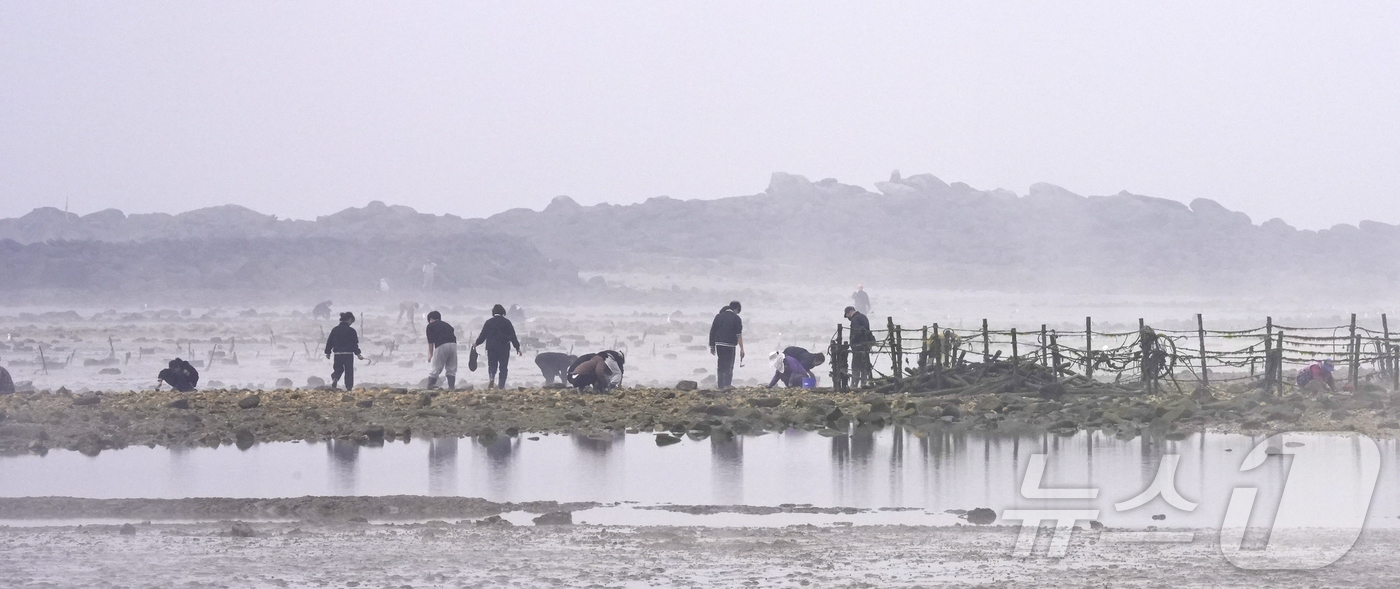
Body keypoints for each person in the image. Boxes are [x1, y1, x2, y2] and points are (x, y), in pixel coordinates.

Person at [473, 304, 522, 389]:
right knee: (503, 367)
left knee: (492, 365)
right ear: (503, 312)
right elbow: (513, 336)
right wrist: (517, 348)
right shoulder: (507, 322)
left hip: (491, 348)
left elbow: (483, 335)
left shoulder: (488, 322)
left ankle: (492, 377)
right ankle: (501, 386)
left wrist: (476, 343)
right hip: (504, 348)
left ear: (493, 312)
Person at [324, 312, 364, 391]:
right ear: (349, 319)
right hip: (348, 354)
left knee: (338, 369)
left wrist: (328, 352)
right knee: (349, 371)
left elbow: (330, 342)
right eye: (352, 322)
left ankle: (335, 378)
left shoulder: (335, 330)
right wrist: (358, 354)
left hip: (337, 354)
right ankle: (349, 387)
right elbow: (354, 344)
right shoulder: (351, 331)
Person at [709, 301, 744, 389]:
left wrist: (712, 346)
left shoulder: (718, 317)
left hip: (719, 344)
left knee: (721, 365)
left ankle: (720, 386)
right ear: (736, 309)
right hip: (730, 345)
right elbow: (739, 335)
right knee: (729, 366)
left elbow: (712, 332)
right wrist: (742, 349)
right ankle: (727, 385)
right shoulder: (736, 318)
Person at [425, 310, 458, 390]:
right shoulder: (448, 325)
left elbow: (430, 342)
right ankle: (451, 387)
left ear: (431, 319)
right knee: (451, 368)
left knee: (436, 367)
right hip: (453, 345)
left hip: (441, 345)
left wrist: (431, 354)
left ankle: (430, 385)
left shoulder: (430, 326)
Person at [845, 306, 876, 388]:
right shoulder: (864, 317)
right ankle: (863, 383)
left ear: (849, 313)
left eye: (847, 316)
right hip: (866, 345)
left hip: (858, 346)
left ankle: (854, 384)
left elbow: (856, 333)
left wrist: (852, 343)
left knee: (856, 366)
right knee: (865, 365)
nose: (848, 318)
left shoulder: (855, 320)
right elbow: (867, 330)